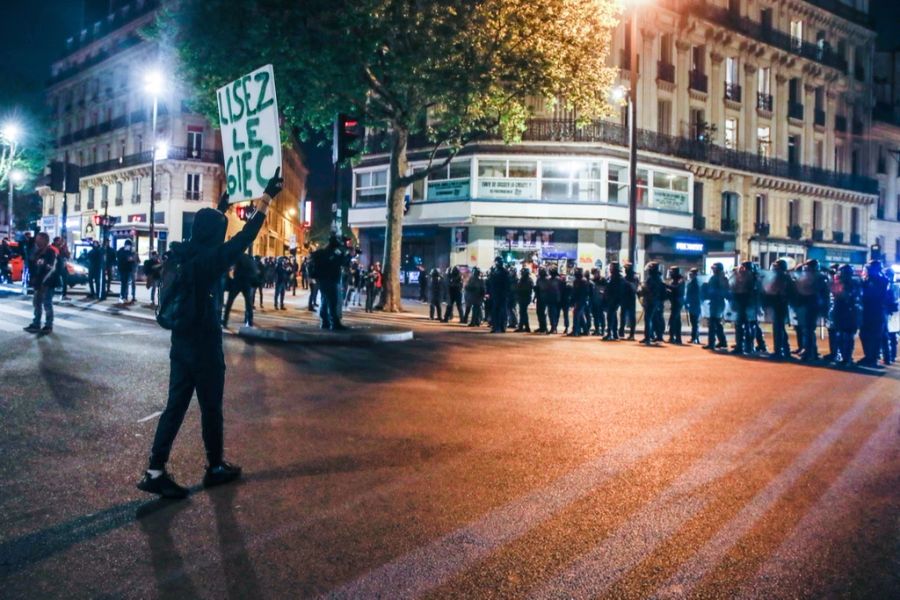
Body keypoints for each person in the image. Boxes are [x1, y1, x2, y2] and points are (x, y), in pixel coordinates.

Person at [137, 169, 283, 499]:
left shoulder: (180, 253)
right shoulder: (210, 261)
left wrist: (222, 205)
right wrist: (266, 198)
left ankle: (155, 470)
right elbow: (245, 238)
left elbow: (210, 230)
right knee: (211, 408)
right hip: (204, 343)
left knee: (174, 407)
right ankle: (215, 466)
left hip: (181, 343)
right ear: (215, 235)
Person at [311, 233, 352, 330]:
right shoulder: (334, 252)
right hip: (331, 279)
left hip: (322, 280)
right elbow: (341, 263)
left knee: (325, 300)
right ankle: (335, 323)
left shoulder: (324, 252)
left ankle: (325, 322)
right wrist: (347, 255)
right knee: (332, 302)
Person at [23, 232, 58, 334]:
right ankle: (36, 323)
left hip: (47, 283)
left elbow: (50, 269)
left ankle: (48, 325)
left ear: (44, 240)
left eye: (39, 239)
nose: (36, 241)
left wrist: (43, 282)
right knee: (37, 303)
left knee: (47, 303)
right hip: (39, 282)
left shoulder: (50, 252)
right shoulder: (37, 252)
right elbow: (33, 265)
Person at [858, 260, 891, 368]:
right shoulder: (866, 280)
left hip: (877, 311)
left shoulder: (882, 280)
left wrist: (870, 275)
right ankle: (868, 356)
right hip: (866, 311)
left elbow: (880, 289)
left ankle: (873, 358)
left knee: (876, 336)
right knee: (864, 334)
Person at [829, 264, 861, 366]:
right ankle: (845, 357)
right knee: (842, 335)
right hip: (842, 311)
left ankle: (846, 358)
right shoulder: (840, 282)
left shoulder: (853, 283)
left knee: (846, 335)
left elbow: (851, 296)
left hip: (848, 311)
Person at [765, 259, 794, 360]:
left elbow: (786, 291)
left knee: (778, 328)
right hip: (777, 304)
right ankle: (785, 350)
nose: (774, 269)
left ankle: (779, 351)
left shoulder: (784, 277)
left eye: (777, 267)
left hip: (780, 305)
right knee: (780, 328)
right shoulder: (780, 277)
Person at [222, 252, 259, 328]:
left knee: (230, 302)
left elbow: (230, 268)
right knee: (248, 303)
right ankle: (249, 321)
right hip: (247, 283)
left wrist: (230, 279)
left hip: (237, 282)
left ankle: (225, 320)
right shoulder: (248, 259)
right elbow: (254, 271)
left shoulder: (236, 256)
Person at [701, 262, 729, 349]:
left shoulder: (720, 278)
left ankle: (711, 343)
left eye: (715, 268)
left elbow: (722, 291)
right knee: (717, 322)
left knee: (713, 323)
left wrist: (711, 292)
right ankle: (722, 342)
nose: (713, 269)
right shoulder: (720, 278)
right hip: (716, 302)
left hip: (717, 302)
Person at [638, 262, 666, 345]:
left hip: (651, 301)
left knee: (648, 319)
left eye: (649, 269)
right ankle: (656, 336)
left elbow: (647, 289)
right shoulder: (658, 278)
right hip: (655, 301)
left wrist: (641, 288)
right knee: (655, 319)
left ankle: (648, 338)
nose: (648, 270)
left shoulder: (652, 278)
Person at [487, 256, 510, 333]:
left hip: (501, 294)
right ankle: (496, 327)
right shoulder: (495, 271)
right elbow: (490, 283)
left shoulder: (503, 272)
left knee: (501, 311)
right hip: (495, 294)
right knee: (495, 311)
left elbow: (507, 284)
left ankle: (501, 327)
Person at [603, 262, 624, 340]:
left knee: (610, 316)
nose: (610, 268)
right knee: (613, 316)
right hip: (611, 299)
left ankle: (609, 333)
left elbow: (617, 290)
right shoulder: (612, 277)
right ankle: (614, 333)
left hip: (614, 300)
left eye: (611, 267)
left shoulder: (618, 278)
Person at [666, 266, 685, 344]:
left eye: (672, 272)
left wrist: (666, 285)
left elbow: (676, 288)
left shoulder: (681, 280)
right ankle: (678, 338)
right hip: (674, 302)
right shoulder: (673, 280)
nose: (670, 274)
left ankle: (672, 337)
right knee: (676, 321)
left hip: (678, 302)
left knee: (673, 320)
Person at [568, 268, 590, 336]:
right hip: (579, 300)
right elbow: (574, 292)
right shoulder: (577, 281)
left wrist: (575, 300)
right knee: (579, 316)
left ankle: (576, 331)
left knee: (576, 315)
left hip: (581, 300)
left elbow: (583, 292)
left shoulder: (583, 281)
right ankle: (585, 331)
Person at [619, 262, 638, 340]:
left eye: (626, 268)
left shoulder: (634, 278)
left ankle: (632, 334)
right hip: (624, 299)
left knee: (632, 317)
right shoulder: (625, 277)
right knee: (622, 316)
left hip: (631, 299)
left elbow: (634, 288)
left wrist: (625, 282)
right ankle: (621, 331)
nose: (625, 270)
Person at [116, 239, 137, 304]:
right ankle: (123, 296)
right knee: (124, 283)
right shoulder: (121, 250)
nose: (129, 246)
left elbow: (133, 259)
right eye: (129, 245)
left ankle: (124, 296)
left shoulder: (130, 251)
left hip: (128, 269)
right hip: (123, 269)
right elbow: (120, 258)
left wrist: (132, 259)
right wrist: (128, 258)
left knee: (125, 283)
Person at [684, 268, 702, 344]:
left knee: (694, 322)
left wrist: (687, 302)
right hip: (693, 304)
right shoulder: (692, 282)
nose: (690, 275)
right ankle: (695, 337)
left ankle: (695, 337)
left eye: (692, 274)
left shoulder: (695, 283)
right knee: (694, 322)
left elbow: (693, 295)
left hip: (695, 304)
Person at [515, 267, 534, 332]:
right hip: (522, 297)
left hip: (525, 297)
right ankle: (526, 327)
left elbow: (527, 289)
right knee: (523, 312)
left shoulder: (528, 280)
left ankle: (522, 327)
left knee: (523, 312)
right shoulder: (522, 280)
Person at [589, 267, 607, 337]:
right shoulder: (593, 280)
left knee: (601, 316)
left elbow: (606, 289)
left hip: (601, 301)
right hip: (594, 301)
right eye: (594, 274)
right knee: (595, 316)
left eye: (596, 273)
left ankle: (602, 330)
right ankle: (597, 330)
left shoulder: (603, 280)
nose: (595, 275)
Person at [533, 267, 551, 333]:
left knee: (543, 313)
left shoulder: (547, 280)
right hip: (539, 298)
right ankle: (541, 327)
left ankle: (544, 328)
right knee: (539, 313)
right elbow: (537, 289)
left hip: (545, 298)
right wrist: (535, 297)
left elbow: (547, 289)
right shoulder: (539, 279)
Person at [546, 267, 563, 334]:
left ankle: (554, 327)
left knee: (555, 314)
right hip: (551, 299)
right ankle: (553, 327)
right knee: (551, 314)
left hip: (557, 299)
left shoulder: (559, 280)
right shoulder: (549, 280)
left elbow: (562, 290)